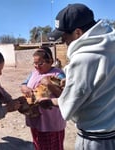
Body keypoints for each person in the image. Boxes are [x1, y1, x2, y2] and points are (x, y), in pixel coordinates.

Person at [40, 3, 115, 150]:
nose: (63, 41)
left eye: (64, 36)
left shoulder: (83, 58)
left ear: (78, 33)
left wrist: (51, 102)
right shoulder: (109, 46)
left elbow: (69, 106)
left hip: (95, 139)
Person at [20, 46, 66, 150]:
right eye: (35, 63)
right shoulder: (34, 73)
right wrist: (25, 88)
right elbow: (23, 84)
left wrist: (49, 85)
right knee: (39, 145)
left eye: (40, 63)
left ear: (50, 61)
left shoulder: (58, 74)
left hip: (51, 123)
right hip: (35, 119)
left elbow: (65, 96)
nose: (36, 66)